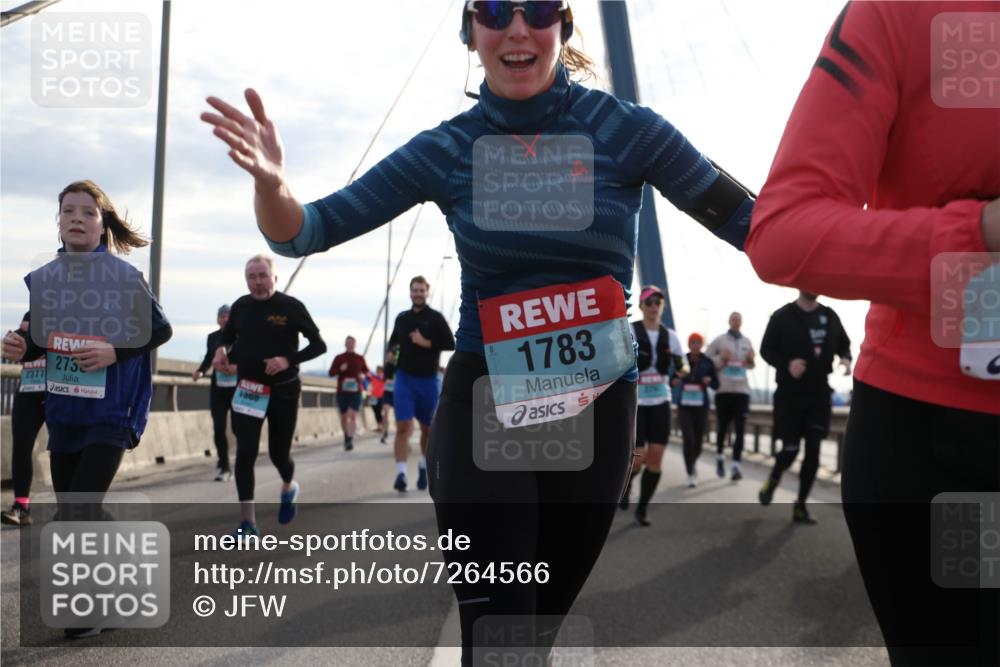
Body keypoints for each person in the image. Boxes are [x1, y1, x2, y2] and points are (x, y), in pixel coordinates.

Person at [200, 1, 754, 660]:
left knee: (536, 629)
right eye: (494, 9)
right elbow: (305, 230)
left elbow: (754, 224)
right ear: (470, 32)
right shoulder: (449, 147)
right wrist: (272, 184)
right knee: (500, 633)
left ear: (564, 25)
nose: (517, 26)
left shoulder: (627, 130)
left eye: (538, 8)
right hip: (485, 403)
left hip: (598, 411)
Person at [746, 2, 999, 662]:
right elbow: (780, 232)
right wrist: (978, 237)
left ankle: (790, 488)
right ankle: (782, 488)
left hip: (866, 404)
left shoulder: (828, 322)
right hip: (948, 439)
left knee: (801, 449)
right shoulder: (901, 13)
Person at [1, 181, 172, 543]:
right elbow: (39, 340)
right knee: (74, 515)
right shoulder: (47, 279)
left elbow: (160, 329)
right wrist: (20, 346)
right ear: (58, 222)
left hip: (112, 409)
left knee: (77, 514)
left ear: (102, 224)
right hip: (64, 409)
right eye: (68, 211)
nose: (77, 218)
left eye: (88, 212)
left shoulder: (125, 278)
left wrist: (114, 351)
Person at [213, 255, 326, 536]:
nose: (258, 282)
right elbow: (226, 337)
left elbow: (319, 345)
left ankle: (289, 486)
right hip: (249, 389)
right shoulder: (241, 306)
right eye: (251, 277)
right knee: (245, 452)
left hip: (283, 390)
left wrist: (288, 360)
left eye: (263, 275)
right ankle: (247, 523)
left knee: (279, 454)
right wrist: (220, 349)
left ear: (274, 277)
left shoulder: (291, 307)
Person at [757, 291, 850, 522]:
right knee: (790, 450)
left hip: (819, 394)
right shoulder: (783, 316)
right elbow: (766, 349)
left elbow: (844, 345)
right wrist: (787, 364)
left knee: (814, 451)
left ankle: (800, 505)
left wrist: (846, 359)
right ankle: (774, 478)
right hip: (790, 394)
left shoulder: (830, 316)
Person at [623, 286, 684, 526]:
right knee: (639, 458)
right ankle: (626, 485)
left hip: (660, 398)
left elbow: (682, 364)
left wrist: (681, 372)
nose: (653, 306)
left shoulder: (671, 336)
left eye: (657, 302)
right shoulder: (630, 330)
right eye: (648, 302)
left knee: (656, 457)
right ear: (641, 306)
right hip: (637, 400)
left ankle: (643, 508)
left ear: (662, 306)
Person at [387, 277, 455, 492]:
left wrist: (426, 343)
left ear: (427, 293)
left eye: (421, 290)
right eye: (415, 290)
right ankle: (401, 474)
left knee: (428, 429)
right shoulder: (402, 318)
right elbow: (394, 340)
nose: (418, 294)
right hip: (405, 378)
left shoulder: (435, 318)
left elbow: (450, 343)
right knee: (402, 426)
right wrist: (390, 353)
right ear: (410, 293)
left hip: (428, 380)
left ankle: (424, 465)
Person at [0, 315, 46, 527]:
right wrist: (16, 336)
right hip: (28, 389)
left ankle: (72, 509)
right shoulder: (33, 311)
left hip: (59, 390)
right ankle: (21, 507)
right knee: (21, 447)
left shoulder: (68, 312)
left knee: (64, 449)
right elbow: (17, 340)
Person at [706, 311, 755, 481]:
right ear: (729, 321)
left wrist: (751, 360)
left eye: (739, 319)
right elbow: (706, 361)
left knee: (740, 429)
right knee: (723, 426)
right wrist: (721, 358)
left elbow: (751, 365)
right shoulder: (720, 340)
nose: (736, 322)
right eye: (734, 319)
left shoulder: (747, 342)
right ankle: (720, 456)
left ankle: (736, 465)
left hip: (742, 391)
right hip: (724, 391)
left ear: (741, 322)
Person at [192, 304, 237, 480]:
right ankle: (224, 466)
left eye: (228, 316)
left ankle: (239, 463)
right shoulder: (212, 338)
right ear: (218, 319)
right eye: (222, 316)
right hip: (218, 389)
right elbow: (208, 358)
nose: (225, 319)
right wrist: (201, 371)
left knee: (237, 428)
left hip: (237, 389)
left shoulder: (240, 336)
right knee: (218, 428)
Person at [673, 333, 719, 488]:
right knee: (689, 438)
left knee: (699, 441)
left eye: (698, 342)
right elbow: (671, 379)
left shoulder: (707, 361)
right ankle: (690, 472)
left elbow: (716, 385)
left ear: (702, 344)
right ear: (688, 343)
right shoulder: (682, 359)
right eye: (692, 342)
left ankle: (692, 462)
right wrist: (675, 380)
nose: (695, 345)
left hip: (701, 406)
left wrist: (709, 381)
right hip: (684, 405)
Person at [329, 335, 369, 451]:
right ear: (345, 344)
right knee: (344, 417)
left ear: (355, 345)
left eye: (352, 343)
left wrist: (364, 375)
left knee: (352, 415)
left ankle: (350, 439)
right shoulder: (339, 358)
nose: (350, 344)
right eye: (348, 343)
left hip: (356, 392)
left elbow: (367, 373)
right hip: (342, 392)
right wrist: (340, 369)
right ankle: (346, 437)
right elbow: (331, 373)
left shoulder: (360, 358)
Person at [366, 365, 388, 442]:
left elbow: (383, 379)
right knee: (375, 411)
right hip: (373, 396)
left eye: (380, 370)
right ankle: (379, 426)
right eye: (377, 370)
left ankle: (382, 426)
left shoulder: (383, 377)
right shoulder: (374, 376)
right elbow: (367, 377)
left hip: (381, 396)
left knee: (379, 411)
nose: (378, 371)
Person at [381, 348, 397, 444]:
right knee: (385, 412)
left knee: (398, 415)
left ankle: (399, 432)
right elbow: (384, 379)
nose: (389, 358)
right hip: (387, 393)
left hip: (396, 393)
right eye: (388, 356)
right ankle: (385, 432)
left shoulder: (398, 366)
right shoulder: (386, 366)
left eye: (391, 356)